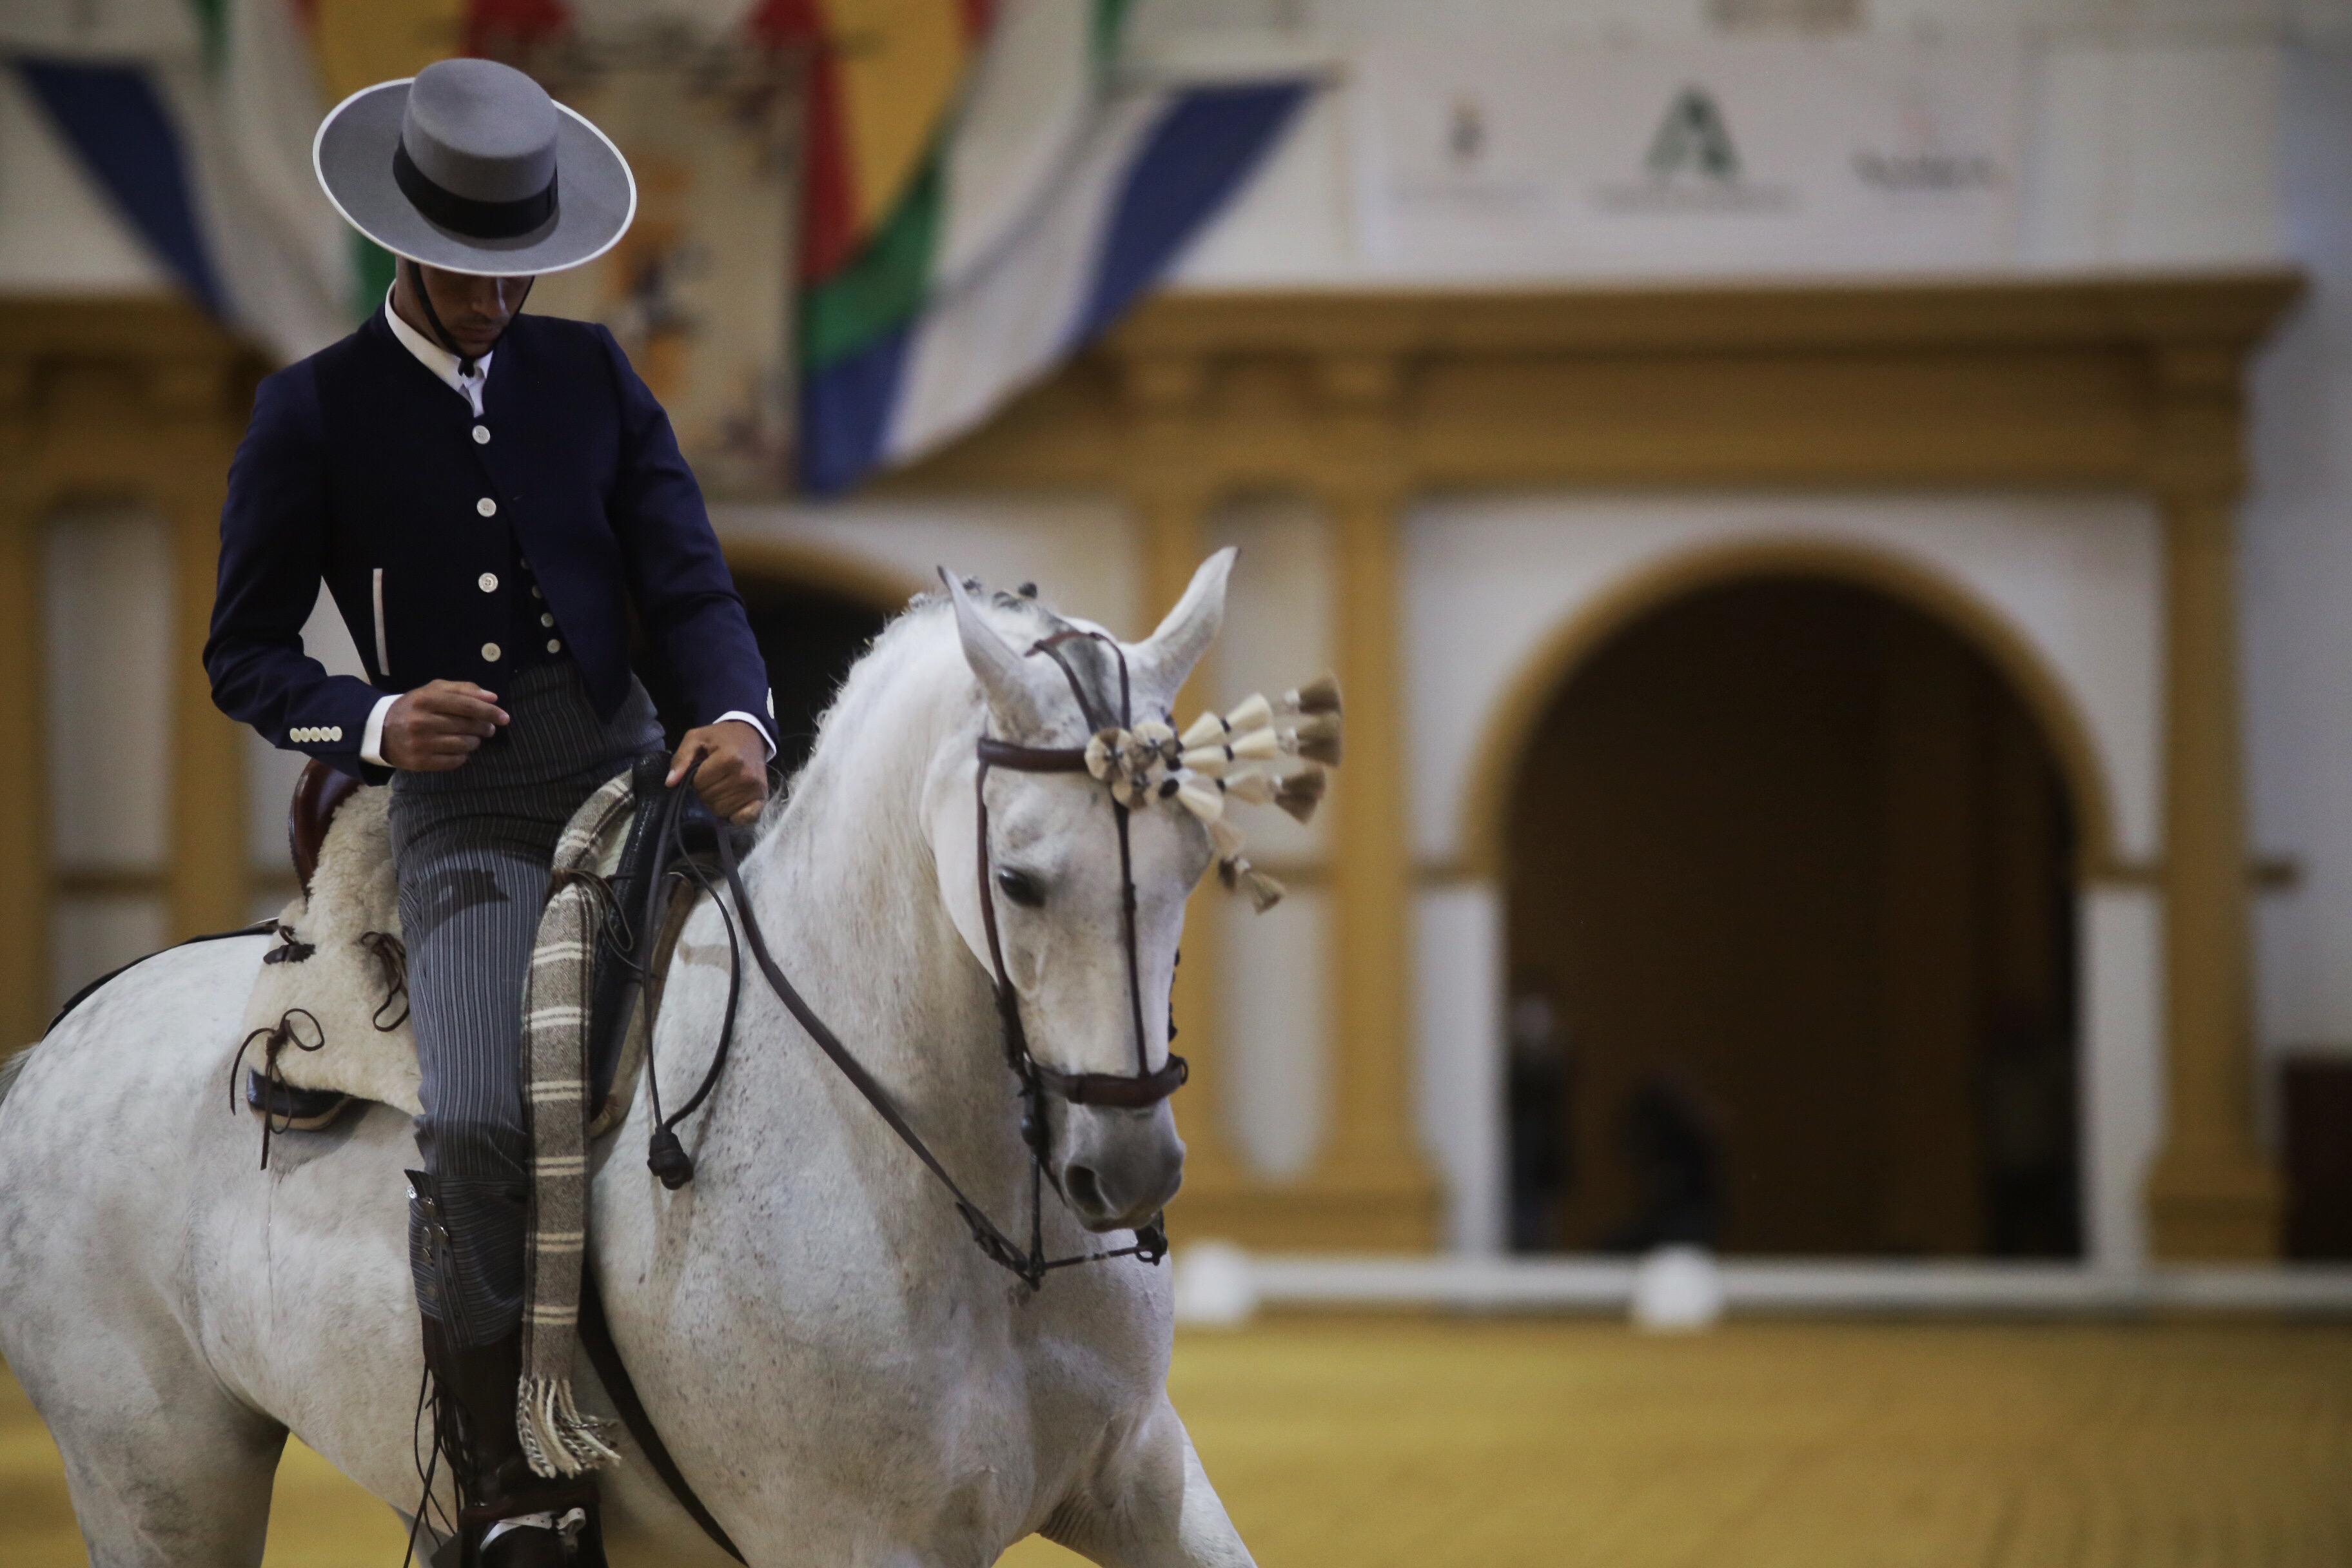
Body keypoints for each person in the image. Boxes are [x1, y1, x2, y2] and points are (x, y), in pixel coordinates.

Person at [204, 57, 773, 1567]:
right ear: (405, 240)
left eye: (525, 272)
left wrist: (735, 714)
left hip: (632, 770)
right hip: (467, 817)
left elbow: (687, 582)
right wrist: (379, 719)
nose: (501, 302)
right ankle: (507, 1480)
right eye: (474, 272)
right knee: (470, 1120)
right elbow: (242, 655)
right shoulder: (310, 411)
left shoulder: (593, 376)